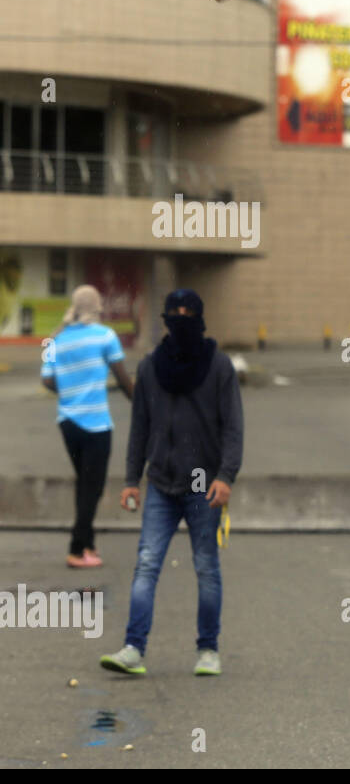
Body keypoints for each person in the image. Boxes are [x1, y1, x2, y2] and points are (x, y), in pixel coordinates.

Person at [99, 290, 244, 678]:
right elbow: (140, 428)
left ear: (201, 317)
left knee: (206, 567)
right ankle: (133, 648)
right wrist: (131, 479)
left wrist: (226, 476)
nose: (181, 320)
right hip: (161, 482)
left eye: (189, 313)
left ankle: (208, 649)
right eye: (175, 313)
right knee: (146, 564)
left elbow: (233, 426)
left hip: (203, 484)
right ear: (164, 318)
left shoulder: (218, 366)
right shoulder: (150, 368)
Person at [39, 285, 135, 568]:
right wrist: (142, 404)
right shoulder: (105, 336)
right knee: (92, 487)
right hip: (95, 425)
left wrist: (70, 390)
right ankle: (76, 550)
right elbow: (122, 379)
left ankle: (89, 545)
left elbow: (46, 380)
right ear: (96, 308)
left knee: (84, 483)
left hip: (67, 422)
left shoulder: (54, 340)